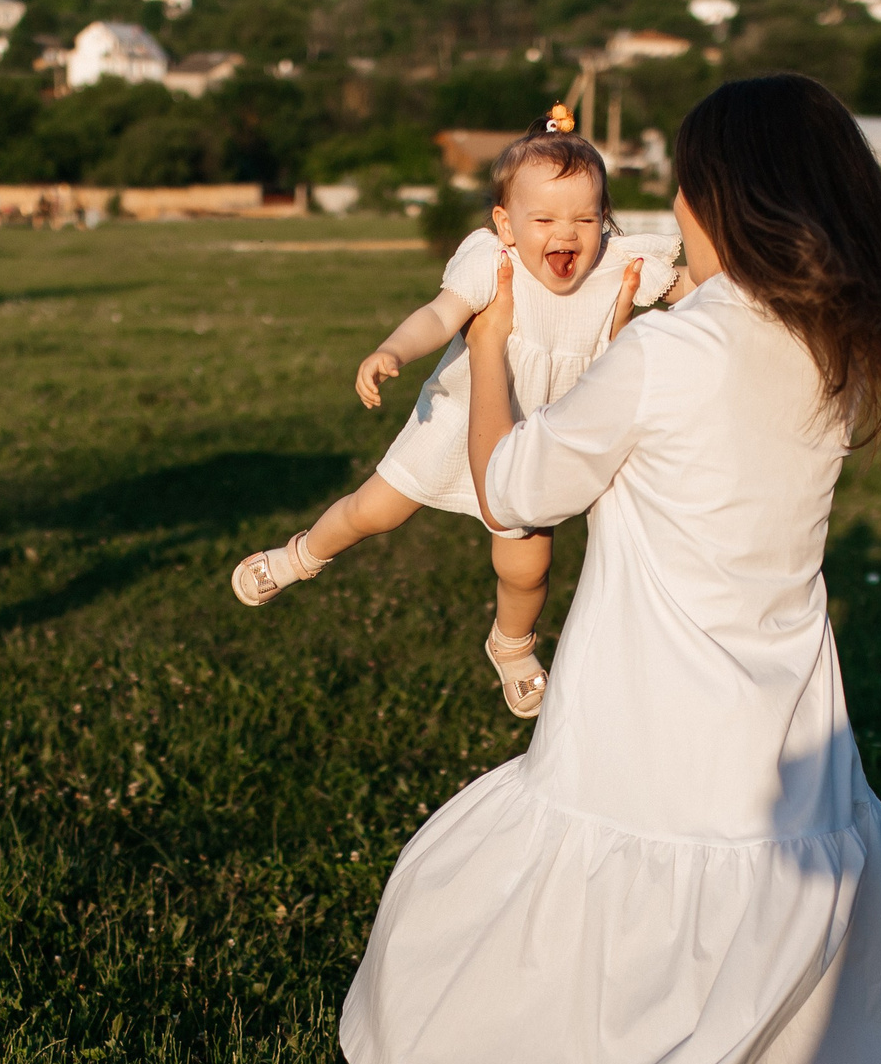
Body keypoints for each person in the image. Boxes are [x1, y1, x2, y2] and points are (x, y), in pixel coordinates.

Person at [340, 74, 881, 1064]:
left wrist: (491, 336)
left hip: (639, 741)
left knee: (612, 1019)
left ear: (720, 198)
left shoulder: (669, 352)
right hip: (784, 748)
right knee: (783, 1042)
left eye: (685, 183)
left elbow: (514, 489)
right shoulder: (823, 344)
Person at [229, 105, 680, 715]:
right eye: (545, 219)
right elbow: (439, 315)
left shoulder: (619, 266)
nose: (568, 234)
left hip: (536, 445)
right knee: (370, 511)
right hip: (456, 422)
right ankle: (300, 556)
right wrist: (392, 350)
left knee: (527, 569)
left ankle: (512, 643)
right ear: (506, 224)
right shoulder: (492, 263)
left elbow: (691, 285)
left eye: (586, 218)